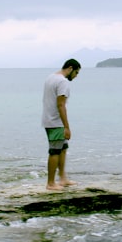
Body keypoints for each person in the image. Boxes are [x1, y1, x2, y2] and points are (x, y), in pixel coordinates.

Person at [42, 58, 81, 190]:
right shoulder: (63, 82)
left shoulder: (51, 77)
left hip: (48, 119)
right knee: (55, 151)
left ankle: (63, 179)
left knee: (63, 148)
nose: (76, 76)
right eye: (76, 73)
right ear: (70, 68)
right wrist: (67, 127)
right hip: (55, 122)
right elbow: (61, 105)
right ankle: (51, 183)